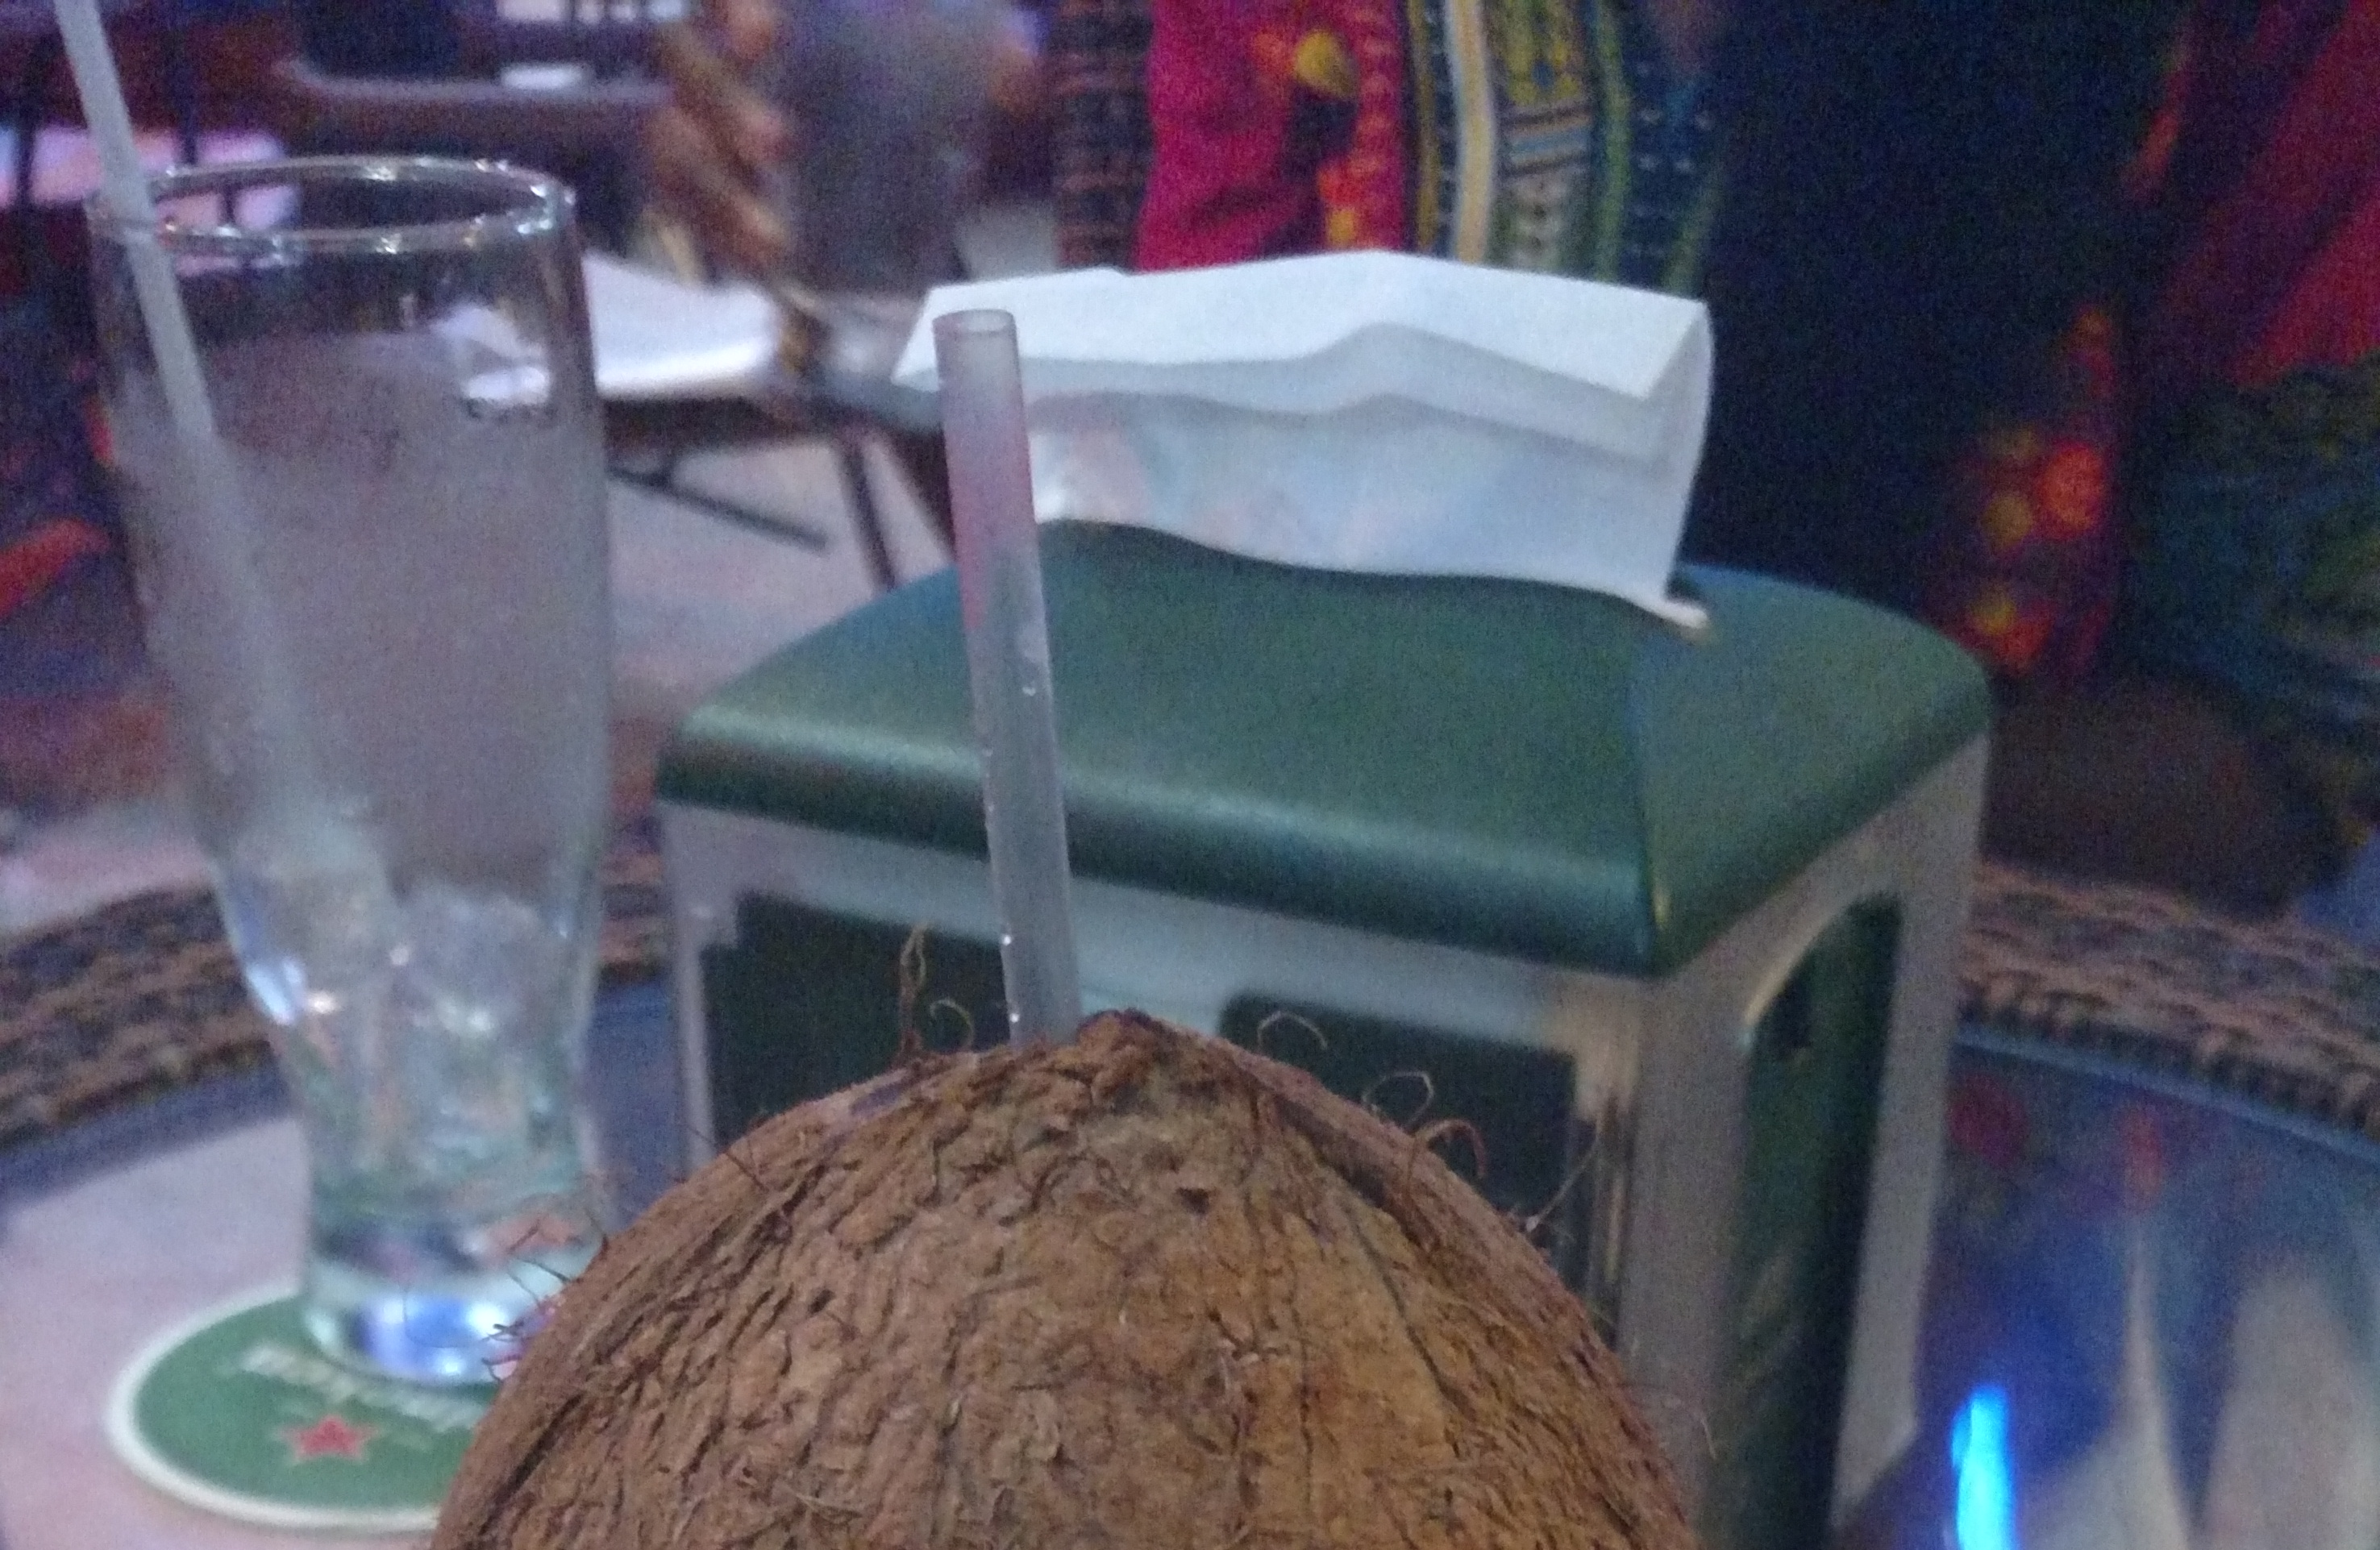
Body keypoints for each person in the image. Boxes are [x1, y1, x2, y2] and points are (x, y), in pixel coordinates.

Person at [648, 0, 2380, 915]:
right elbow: (1166, 595)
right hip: (1344, 1033)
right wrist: (882, 287)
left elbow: (2273, 764)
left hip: (1973, 1102)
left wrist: (1575, 784)